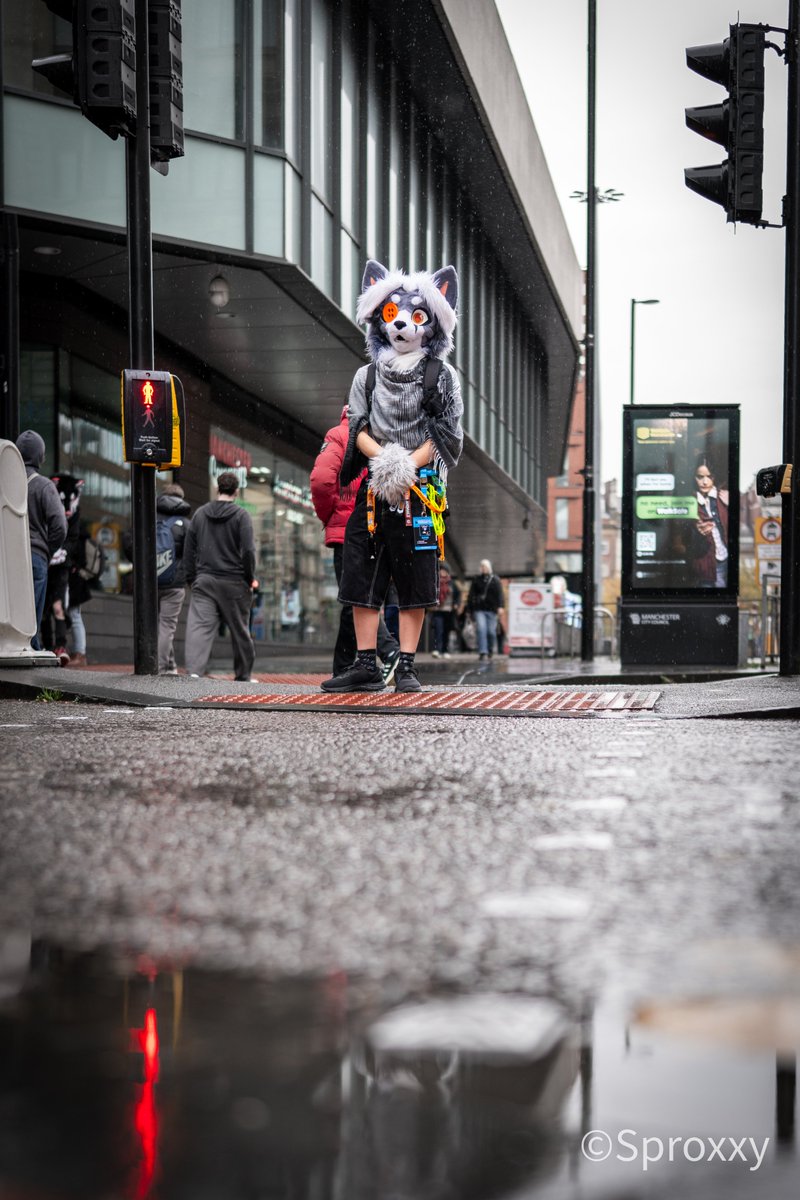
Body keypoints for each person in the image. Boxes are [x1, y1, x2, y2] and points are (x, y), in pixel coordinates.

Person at [320, 259, 463, 694]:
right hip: (373, 491)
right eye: (391, 313)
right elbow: (356, 426)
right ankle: (365, 663)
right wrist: (385, 461)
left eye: (417, 315)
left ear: (432, 324)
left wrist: (408, 465)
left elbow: (447, 433)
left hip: (421, 494)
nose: (402, 323)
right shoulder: (365, 376)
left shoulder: (442, 376)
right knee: (361, 576)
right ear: (378, 320)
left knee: (415, 579)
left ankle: (407, 667)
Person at [310, 405, 400, 682]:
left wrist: (330, 515)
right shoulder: (386, 434)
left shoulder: (340, 434)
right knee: (356, 600)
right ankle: (343, 668)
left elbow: (321, 481)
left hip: (348, 530)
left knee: (356, 599)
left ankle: (389, 650)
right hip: (380, 528)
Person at [183, 472, 257, 681]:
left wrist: (192, 579)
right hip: (234, 582)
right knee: (239, 630)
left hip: (205, 581)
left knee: (199, 628)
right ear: (236, 491)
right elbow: (248, 551)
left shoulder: (200, 514)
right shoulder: (242, 516)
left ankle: (194, 673)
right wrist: (249, 578)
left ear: (217, 489)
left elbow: (189, 550)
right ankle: (243, 676)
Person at [16, 431, 67, 652]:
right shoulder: (44, 486)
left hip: (7, 555)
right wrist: (47, 549)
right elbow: (60, 526)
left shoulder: (6, 482)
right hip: (35, 555)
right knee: (32, 613)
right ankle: (30, 650)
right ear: (40, 456)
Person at [41, 474, 84, 666]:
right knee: (43, 608)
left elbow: (74, 538)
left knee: (58, 606)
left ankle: (60, 646)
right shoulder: (47, 506)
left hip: (61, 568)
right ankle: (47, 646)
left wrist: (63, 552)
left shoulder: (74, 514)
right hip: (46, 562)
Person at [156, 482, 192, 674]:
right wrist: (187, 576)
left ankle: (170, 665)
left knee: (157, 625)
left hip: (149, 582)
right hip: (174, 583)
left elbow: (130, 543)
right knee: (167, 626)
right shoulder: (185, 524)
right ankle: (161, 668)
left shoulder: (148, 517)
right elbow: (192, 553)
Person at [690, 456, 729, 588]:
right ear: (694, 477)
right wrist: (696, 529)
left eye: (709, 476)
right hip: (705, 563)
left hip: (725, 559)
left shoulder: (723, 496)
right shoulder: (690, 500)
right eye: (700, 477)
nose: (705, 482)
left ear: (714, 477)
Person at [467, 559, 504, 662]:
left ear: (489, 568)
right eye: (482, 566)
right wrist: (469, 609)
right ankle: (483, 652)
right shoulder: (476, 579)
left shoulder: (495, 580)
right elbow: (471, 595)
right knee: (481, 629)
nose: (484, 568)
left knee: (491, 632)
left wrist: (501, 606)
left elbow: (500, 594)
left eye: (485, 566)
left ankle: (490, 649)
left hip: (492, 610)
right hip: (479, 609)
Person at [429, 563, 461, 658]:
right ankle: (437, 650)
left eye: (444, 570)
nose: (442, 572)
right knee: (438, 630)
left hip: (449, 611)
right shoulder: (435, 582)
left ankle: (445, 650)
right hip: (437, 610)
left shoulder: (452, 583)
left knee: (447, 631)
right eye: (441, 570)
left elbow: (458, 595)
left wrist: (456, 604)